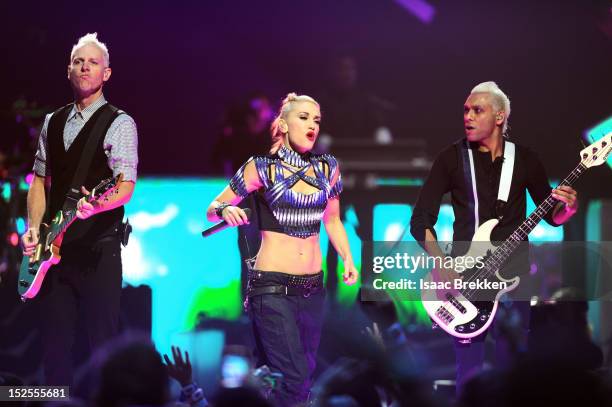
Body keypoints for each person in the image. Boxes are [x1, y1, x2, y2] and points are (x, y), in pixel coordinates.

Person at [410, 81, 578, 395]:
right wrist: (441, 265)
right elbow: (420, 219)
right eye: (465, 110)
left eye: (477, 110)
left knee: (513, 370)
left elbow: (553, 216)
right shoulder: (451, 158)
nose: (467, 117)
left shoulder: (527, 159)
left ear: (499, 117)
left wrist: (569, 209)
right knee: (469, 373)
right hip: (465, 278)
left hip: (514, 278)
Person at [206, 92, 358, 406]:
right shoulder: (261, 167)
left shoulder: (328, 167)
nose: (312, 124)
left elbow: (333, 221)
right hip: (271, 287)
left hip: (313, 289)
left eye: (316, 119)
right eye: (303, 117)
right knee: (295, 376)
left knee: (292, 376)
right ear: (284, 124)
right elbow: (214, 206)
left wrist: (347, 258)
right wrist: (225, 211)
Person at [21, 33, 138, 386]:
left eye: (93, 62)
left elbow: (125, 186)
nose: (84, 67)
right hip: (55, 255)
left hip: (98, 252)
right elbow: (40, 181)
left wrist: (98, 203)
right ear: (68, 71)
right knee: (55, 350)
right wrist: (33, 229)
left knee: (102, 348)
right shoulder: (52, 121)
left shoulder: (120, 123)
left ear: (107, 74)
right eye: (77, 61)